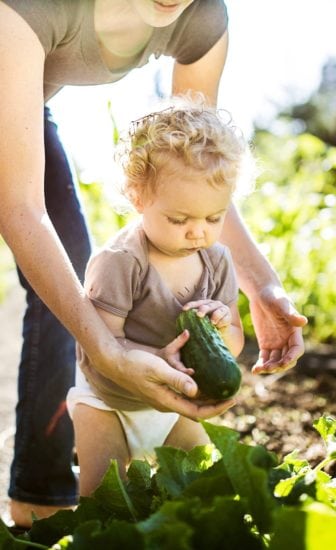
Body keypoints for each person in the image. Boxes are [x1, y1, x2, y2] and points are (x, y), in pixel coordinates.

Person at [0, 0, 307, 528]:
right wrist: (108, 350)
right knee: (63, 275)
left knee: (63, 275)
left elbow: (200, 173)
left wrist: (263, 286)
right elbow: (20, 207)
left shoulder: (201, 19)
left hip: (16, 110)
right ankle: (45, 495)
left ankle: (40, 499)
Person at [67, 98, 247, 495]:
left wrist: (222, 325)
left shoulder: (217, 262)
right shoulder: (121, 261)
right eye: (179, 219)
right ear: (138, 199)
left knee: (206, 487)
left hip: (174, 402)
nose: (197, 232)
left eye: (214, 218)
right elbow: (104, 341)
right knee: (107, 499)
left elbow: (233, 340)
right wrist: (153, 359)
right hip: (108, 400)